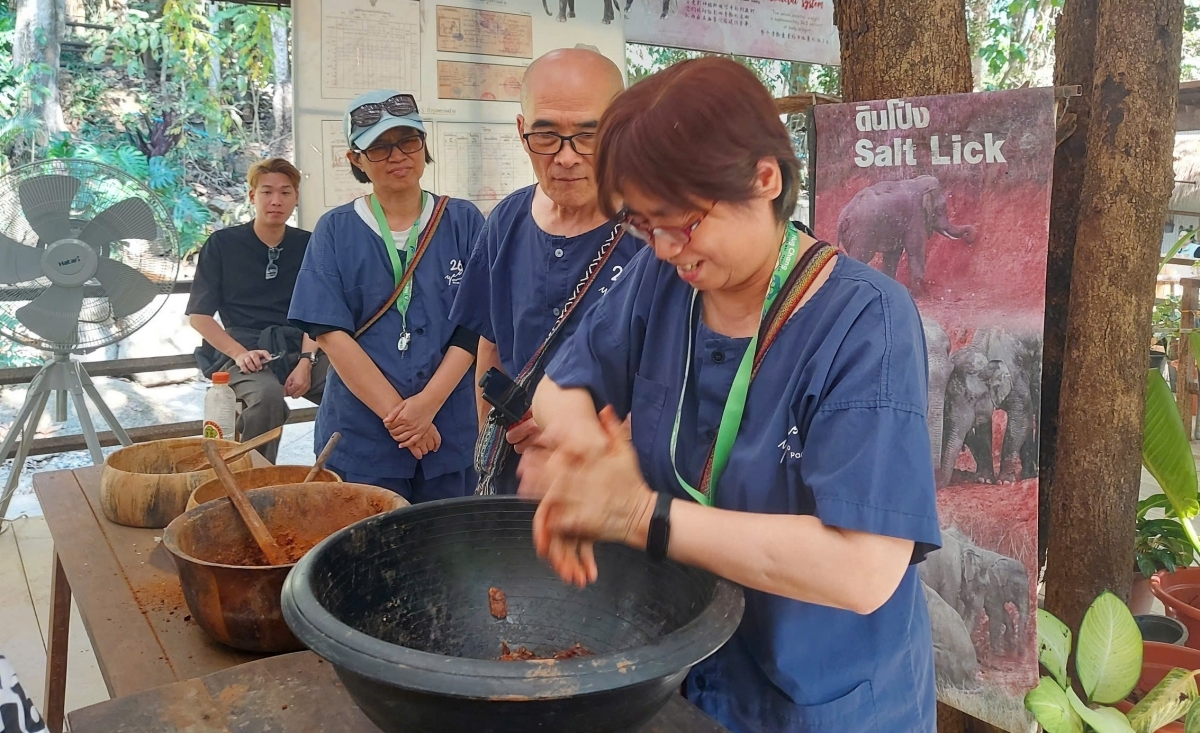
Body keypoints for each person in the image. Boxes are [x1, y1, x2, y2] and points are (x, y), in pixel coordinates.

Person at [518, 58, 942, 732]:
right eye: (641, 224)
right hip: (689, 675)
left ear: (764, 178)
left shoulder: (864, 320)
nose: (661, 248)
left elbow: (862, 568)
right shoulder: (665, 283)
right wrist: (582, 455)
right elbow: (560, 384)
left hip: (822, 703)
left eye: (680, 223)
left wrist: (634, 513)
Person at [449, 47, 643, 494]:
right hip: (519, 478)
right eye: (547, 135)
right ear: (522, 131)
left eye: (588, 135)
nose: (567, 156)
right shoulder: (506, 222)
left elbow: (687, 380)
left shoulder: (658, 233)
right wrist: (491, 443)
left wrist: (578, 437)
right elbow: (492, 344)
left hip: (618, 485)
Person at [289, 91, 484, 503]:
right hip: (363, 434)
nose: (398, 156)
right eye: (379, 147)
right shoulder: (335, 230)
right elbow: (329, 332)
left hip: (447, 428)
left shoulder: (463, 221)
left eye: (408, 140)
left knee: (447, 550)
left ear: (424, 144)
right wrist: (403, 418)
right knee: (366, 554)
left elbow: (476, 323)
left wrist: (427, 405)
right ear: (355, 160)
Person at [186, 158, 325, 462]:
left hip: (297, 347)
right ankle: (255, 481)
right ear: (252, 196)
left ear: (296, 198)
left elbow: (317, 310)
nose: (276, 201)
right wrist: (240, 354)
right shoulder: (223, 244)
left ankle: (338, 476)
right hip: (241, 351)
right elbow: (199, 316)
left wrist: (305, 361)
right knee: (266, 396)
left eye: (286, 193)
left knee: (350, 385)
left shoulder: (309, 244)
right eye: (267, 192)